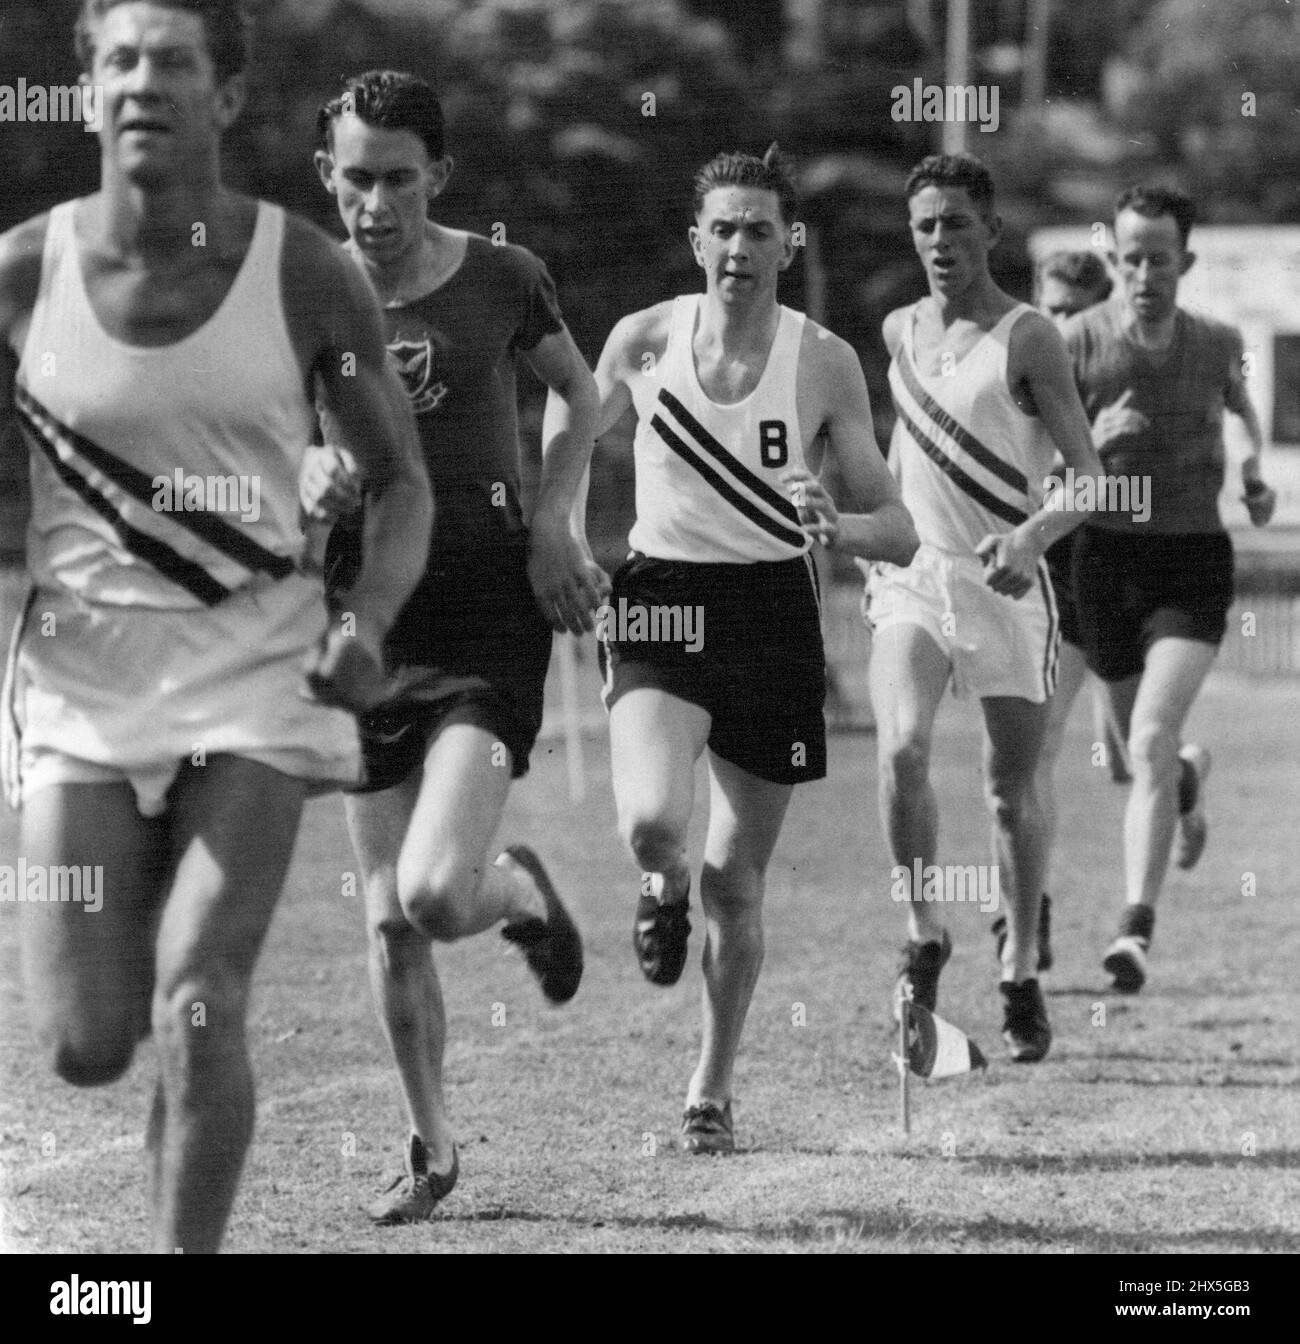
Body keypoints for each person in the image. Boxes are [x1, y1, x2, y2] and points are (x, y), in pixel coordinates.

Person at [0, 0, 431, 1253]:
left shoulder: (302, 272)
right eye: (119, 61)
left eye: (175, 61)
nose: (145, 82)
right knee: (86, 1044)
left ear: (228, 97)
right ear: (84, 93)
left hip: (255, 678)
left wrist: (372, 617)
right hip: (81, 690)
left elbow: (399, 483)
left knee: (201, 996)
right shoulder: (25, 274)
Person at [305, 70, 605, 1222]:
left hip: (488, 613)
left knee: (434, 892)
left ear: (437, 175)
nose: (372, 204)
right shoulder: (303, 295)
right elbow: (277, 443)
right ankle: (430, 1148)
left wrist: (552, 524)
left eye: (395, 179)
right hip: (365, 620)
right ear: (324, 176)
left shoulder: (503, 277)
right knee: (386, 918)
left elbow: (580, 400)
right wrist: (309, 477)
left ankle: (518, 887)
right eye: (353, 178)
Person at [585, 147, 918, 1154]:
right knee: (652, 821)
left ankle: (710, 1086)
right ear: (696, 242)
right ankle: (657, 885)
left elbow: (896, 526)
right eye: (722, 228)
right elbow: (568, 437)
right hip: (660, 601)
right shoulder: (642, 341)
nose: (739, 246)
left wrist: (841, 529)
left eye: (758, 229)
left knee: (736, 880)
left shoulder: (821, 361)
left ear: (788, 243)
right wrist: (548, 528)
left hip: (772, 611)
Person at [868, 153, 1105, 1063]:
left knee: (1011, 793)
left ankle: (1019, 966)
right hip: (917, 578)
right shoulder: (896, 332)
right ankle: (926, 930)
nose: (939, 241)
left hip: (1008, 585)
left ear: (991, 233)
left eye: (957, 223)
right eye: (925, 223)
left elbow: (1089, 480)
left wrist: (1033, 537)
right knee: (901, 746)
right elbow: (895, 460)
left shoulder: (1030, 337)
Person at [1066, 185, 1276, 994]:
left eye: (1159, 258)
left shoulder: (1219, 342)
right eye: (1129, 258)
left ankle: (1133, 931)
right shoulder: (1075, 342)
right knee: (1131, 762)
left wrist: (1255, 473)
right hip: (1105, 562)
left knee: (1148, 738)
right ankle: (1187, 782)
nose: (1143, 272)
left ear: (1183, 262)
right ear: (1114, 260)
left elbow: (1247, 413)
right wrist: (1088, 442)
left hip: (1190, 562)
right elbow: (1034, 463)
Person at [990, 249, 1124, 973]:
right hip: (1041, 575)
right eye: (1053, 309)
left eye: (1076, 313)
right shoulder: (1019, 372)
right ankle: (1025, 911)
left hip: (1110, 579)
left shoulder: (1111, 381)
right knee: (1027, 753)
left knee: (1131, 755)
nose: (1062, 326)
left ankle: (1185, 775)